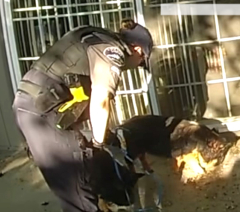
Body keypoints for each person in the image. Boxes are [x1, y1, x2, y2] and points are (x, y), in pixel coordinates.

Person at [11, 18, 155, 212]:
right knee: (78, 192)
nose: (135, 67)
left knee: (95, 163)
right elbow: (101, 100)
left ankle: (123, 198)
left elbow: (74, 95)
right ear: (138, 50)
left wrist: (103, 139)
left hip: (35, 108)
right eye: (140, 63)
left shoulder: (93, 37)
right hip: (42, 115)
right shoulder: (111, 51)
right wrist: (98, 142)